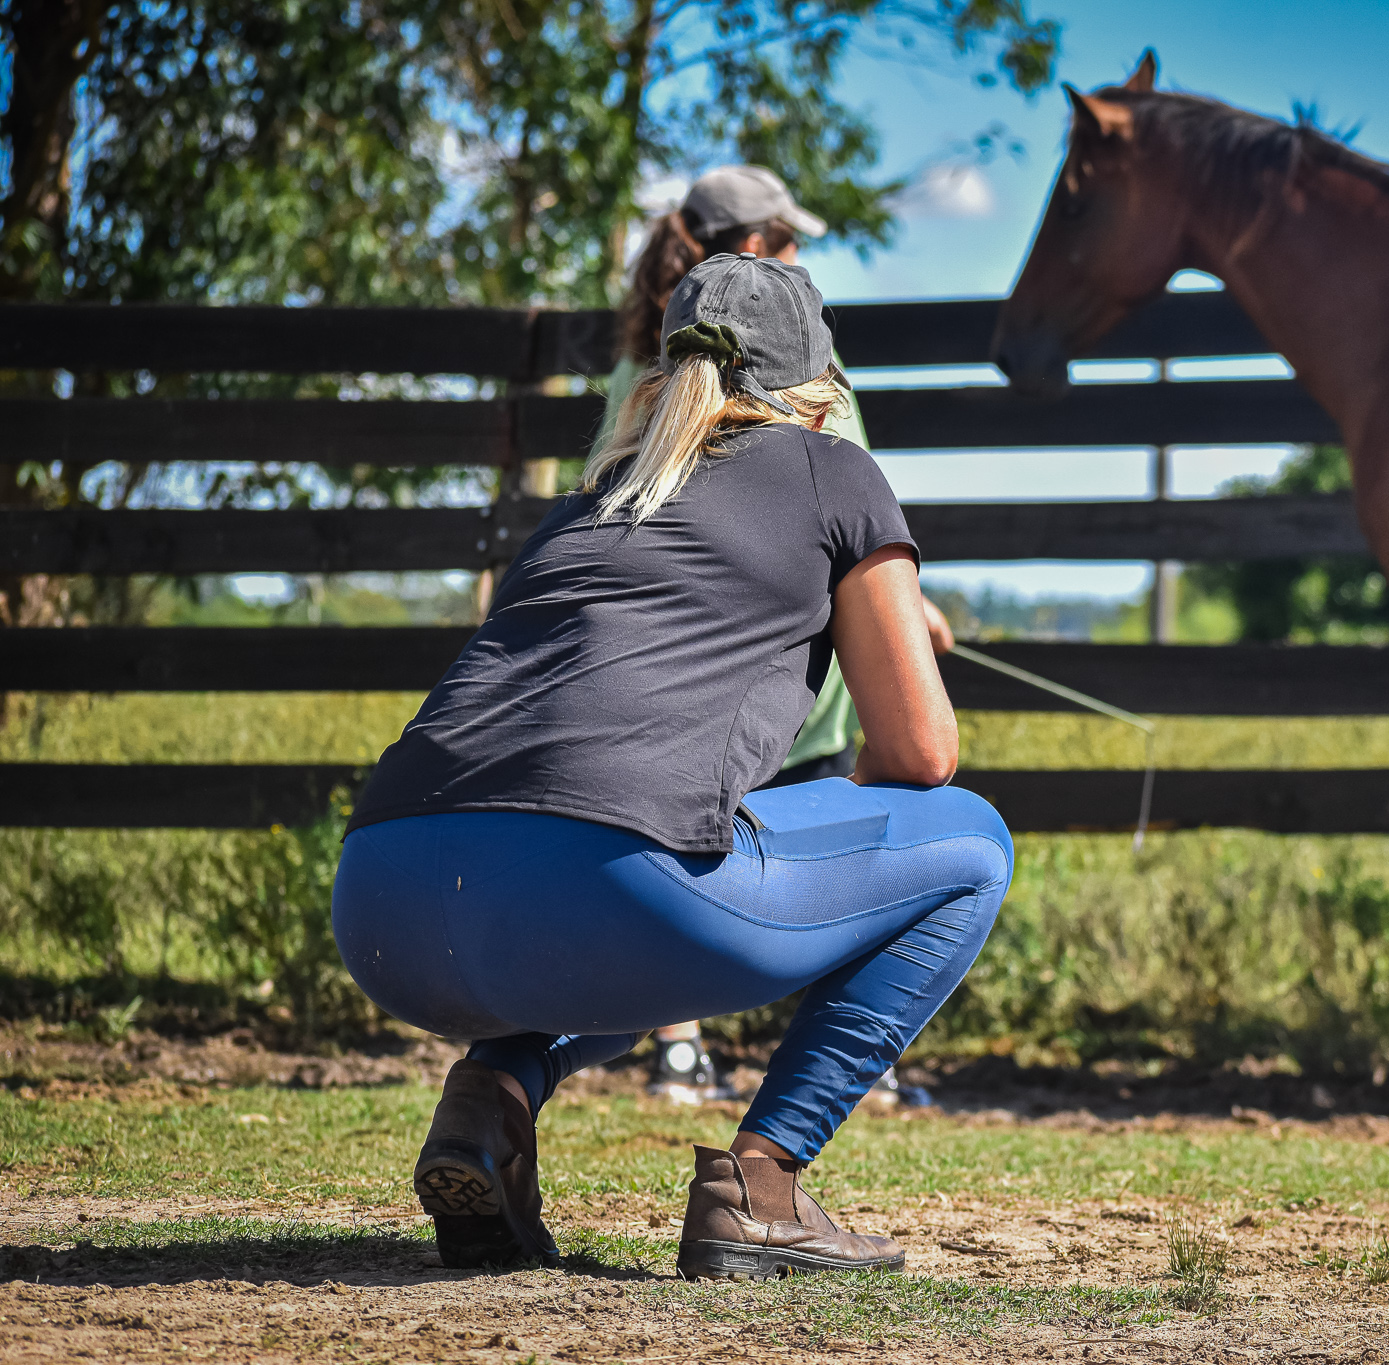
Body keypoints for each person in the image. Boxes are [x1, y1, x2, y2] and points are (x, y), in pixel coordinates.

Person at [331, 252, 1012, 1280]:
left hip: (382, 904)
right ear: (820, 396)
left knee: (635, 877)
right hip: (605, 889)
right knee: (969, 843)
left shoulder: (591, 499)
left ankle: (491, 1097)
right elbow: (919, 755)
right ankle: (764, 1184)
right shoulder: (834, 468)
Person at [606, 166, 954, 1102]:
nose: (804, 256)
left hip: (678, 681)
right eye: (791, 241)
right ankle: (841, 1066)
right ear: (754, 249)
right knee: (880, 838)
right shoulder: (820, 398)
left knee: (668, 833)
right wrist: (899, 607)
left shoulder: (638, 385)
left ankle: (676, 1047)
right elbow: (851, 531)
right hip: (801, 666)